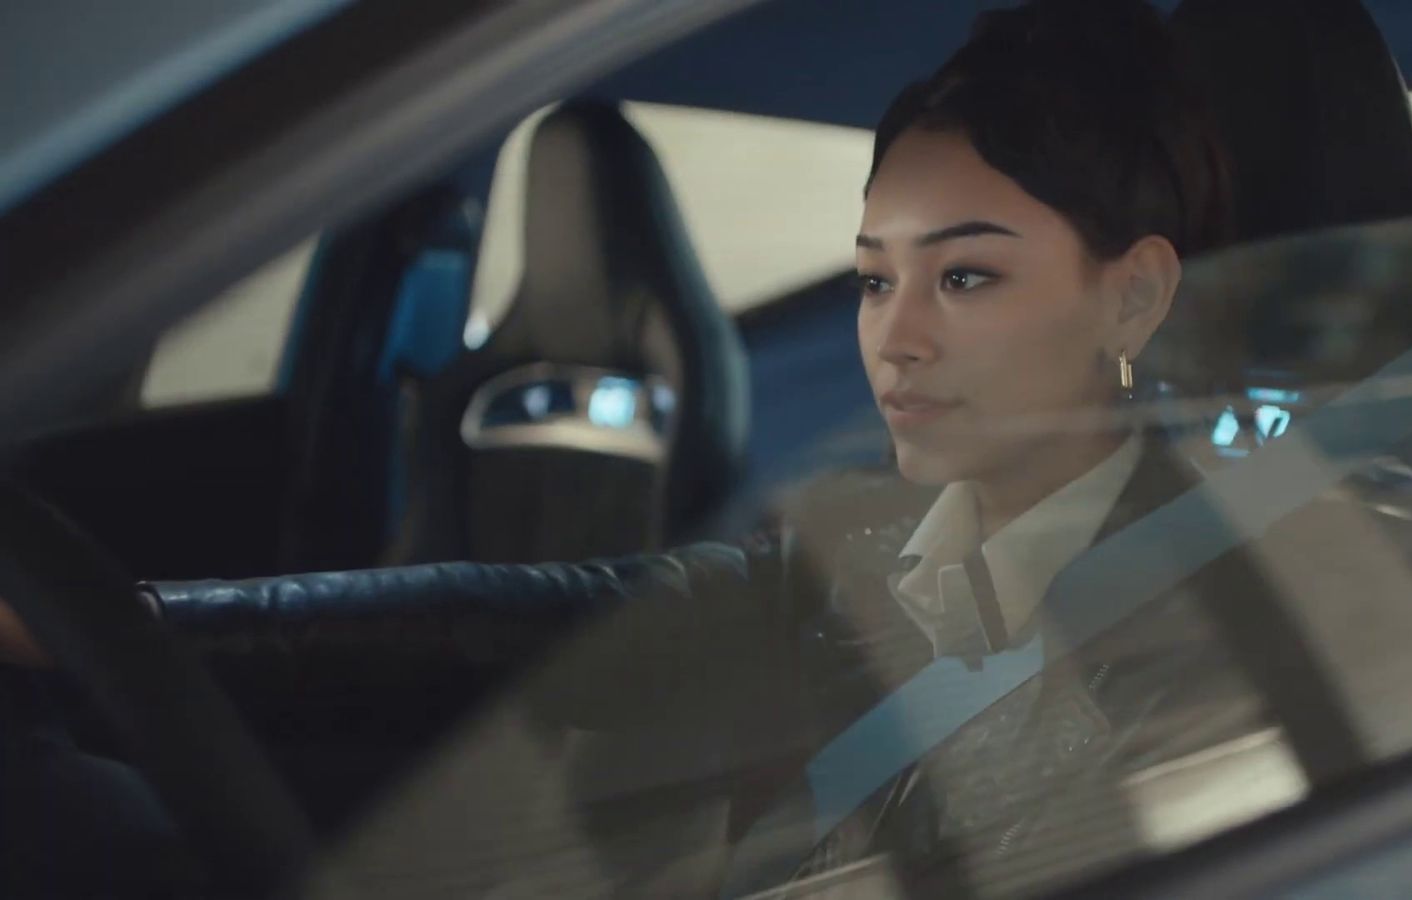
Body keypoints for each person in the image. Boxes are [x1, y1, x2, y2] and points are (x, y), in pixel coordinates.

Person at [6, 0, 1272, 895]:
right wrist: (117, 629)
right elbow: (505, 632)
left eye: (968, 277)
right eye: (874, 282)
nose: (897, 341)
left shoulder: (1232, 618)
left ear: (1133, 298)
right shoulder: (861, 557)